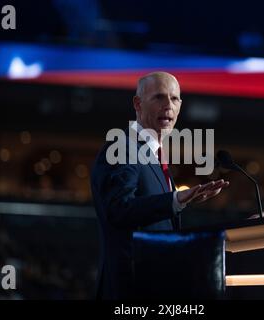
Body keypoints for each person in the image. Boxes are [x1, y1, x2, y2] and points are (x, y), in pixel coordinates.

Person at [91, 71, 229, 299]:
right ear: (138, 103)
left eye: (174, 99)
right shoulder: (123, 147)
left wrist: (183, 202)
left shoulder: (152, 154)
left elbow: (156, 218)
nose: (168, 106)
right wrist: (175, 200)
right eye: (158, 97)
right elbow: (118, 209)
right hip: (130, 290)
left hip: (154, 285)